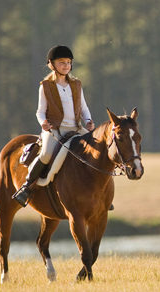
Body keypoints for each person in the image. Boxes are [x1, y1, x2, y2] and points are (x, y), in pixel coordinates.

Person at [12, 45, 94, 206]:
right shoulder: (46, 86)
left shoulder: (76, 84)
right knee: (46, 155)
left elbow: (83, 107)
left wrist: (89, 121)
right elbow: (40, 111)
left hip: (76, 128)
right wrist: (43, 123)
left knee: (96, 150)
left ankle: (99, 192)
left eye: (69, 62)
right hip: (55, 129)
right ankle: (27, 187)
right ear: (52, 64)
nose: (66, 65)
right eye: (62, 62)